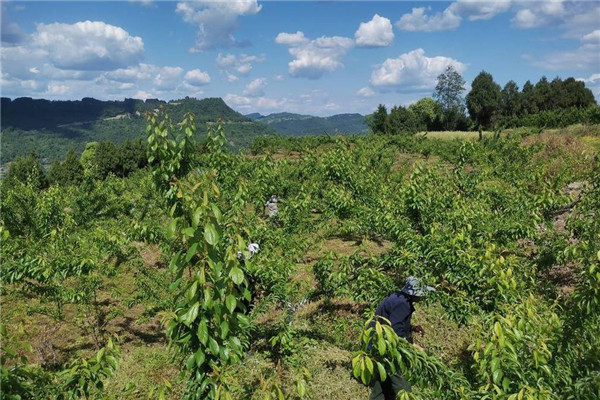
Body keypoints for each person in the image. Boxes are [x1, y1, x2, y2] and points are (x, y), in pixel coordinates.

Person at [370, 276, 435, 400]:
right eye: (422, 294)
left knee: (383, 382)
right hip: (387, 346)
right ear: (415, 293)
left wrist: (411, 327)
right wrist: (412, 346)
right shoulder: (403, 304)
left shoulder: (398, 297)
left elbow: (392, 322)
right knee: (402, 386)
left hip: (380, 342)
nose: (424, 297)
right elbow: (394, 331)